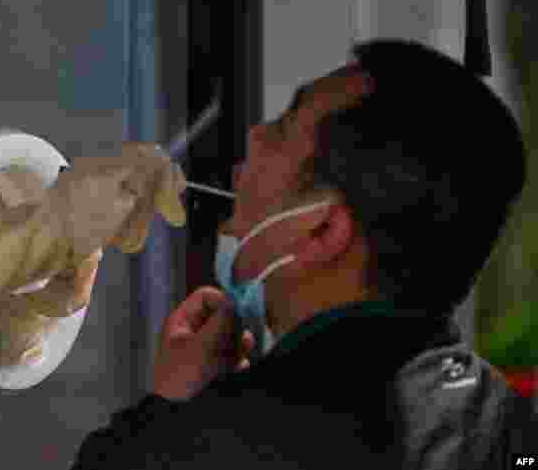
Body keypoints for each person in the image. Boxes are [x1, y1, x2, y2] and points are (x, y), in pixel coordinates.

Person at [71, 38, 537, 469]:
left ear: (323, 231)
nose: (254, 136)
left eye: (281, 130)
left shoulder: (215, 445)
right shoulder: (512, 429)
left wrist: (169, 411)